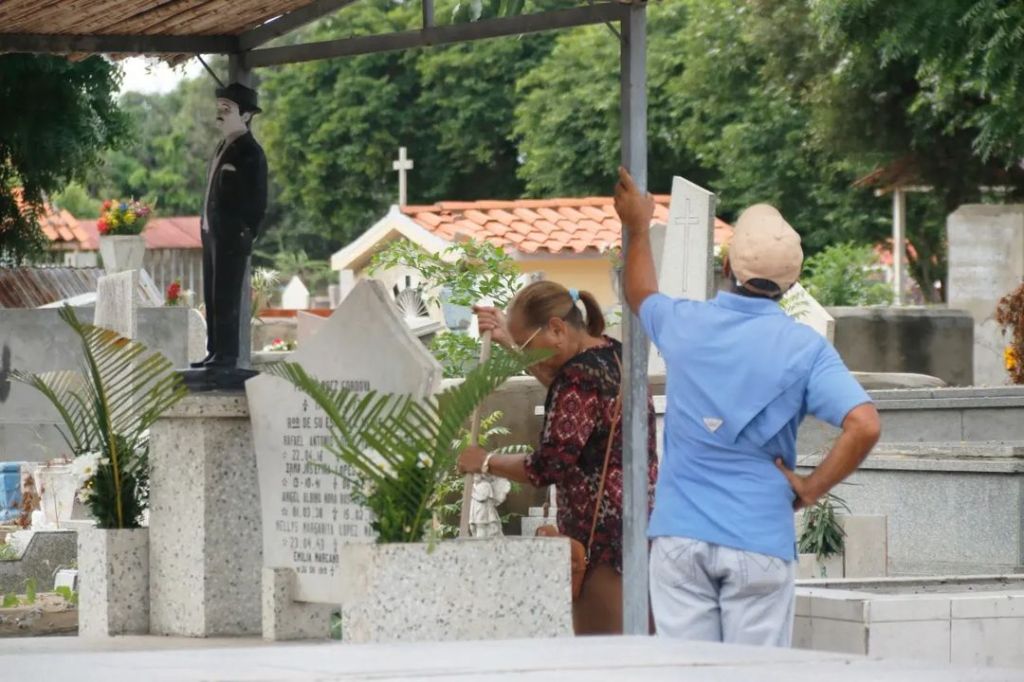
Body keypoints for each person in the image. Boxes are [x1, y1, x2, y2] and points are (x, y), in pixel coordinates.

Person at [613, 167, 880, 647]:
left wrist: (636, 227)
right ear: (792, 281)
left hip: (680, 537)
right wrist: (810, 488)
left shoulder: (686, 323)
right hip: (759, 536)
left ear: (729, 266)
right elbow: (863, 425)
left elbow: (640, 294)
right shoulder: (806, 349)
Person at [457, 281, 658, 635]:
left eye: (527, 345)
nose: (526, 353)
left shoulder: (578, 379)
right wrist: (511, 341)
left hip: (600, 547)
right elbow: (568, 393)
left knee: (603, 660)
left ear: (556, 328)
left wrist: (485, 461)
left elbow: (547, 465)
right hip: (642, 530)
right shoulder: (613, 353)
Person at [191, 82, 268, 371]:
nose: (220, 114)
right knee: (212, 294)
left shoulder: (250, 152)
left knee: (227, 295)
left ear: (246, 115)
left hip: (233, 236)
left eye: (228, 109)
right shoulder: (222, 147)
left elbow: (258, 200)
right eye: (219, 108)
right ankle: (214, 352)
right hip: (212, 233)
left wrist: (246, 231)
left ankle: (227, 356)